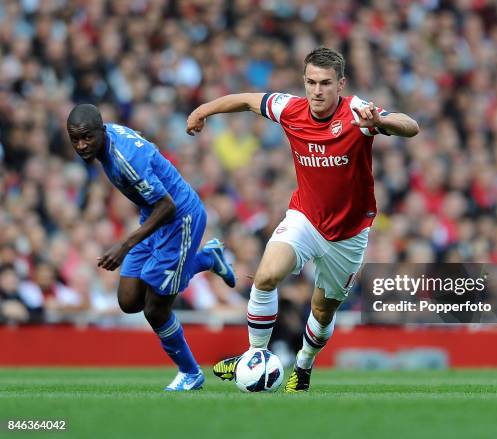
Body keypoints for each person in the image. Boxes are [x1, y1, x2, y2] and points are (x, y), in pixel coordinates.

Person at [186, 47, 419, 392]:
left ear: (340, 84)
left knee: (322, 313)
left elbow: (410, 126)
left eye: (325, 83)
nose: (317, 90)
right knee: (265, 276)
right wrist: (203, 110)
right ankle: (255, 355)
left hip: (348, 234)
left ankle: (304, 365)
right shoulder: (291, 109)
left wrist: (380, 122)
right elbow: (249, 100)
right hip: (305, 218)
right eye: (311, 82)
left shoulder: (357, 112)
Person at [66, 104, 236, 391]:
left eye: (87, 137)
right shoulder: (113, 137)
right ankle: (207, 258)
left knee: (155, 310)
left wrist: (124, 244)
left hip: (179, 219)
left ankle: (190, 373)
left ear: (101, 131)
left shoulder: (124, 160)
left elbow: (167, 206)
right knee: (129, 300)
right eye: (75, 138)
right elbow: (146, 144)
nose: (81, 145)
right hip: (152, 216)